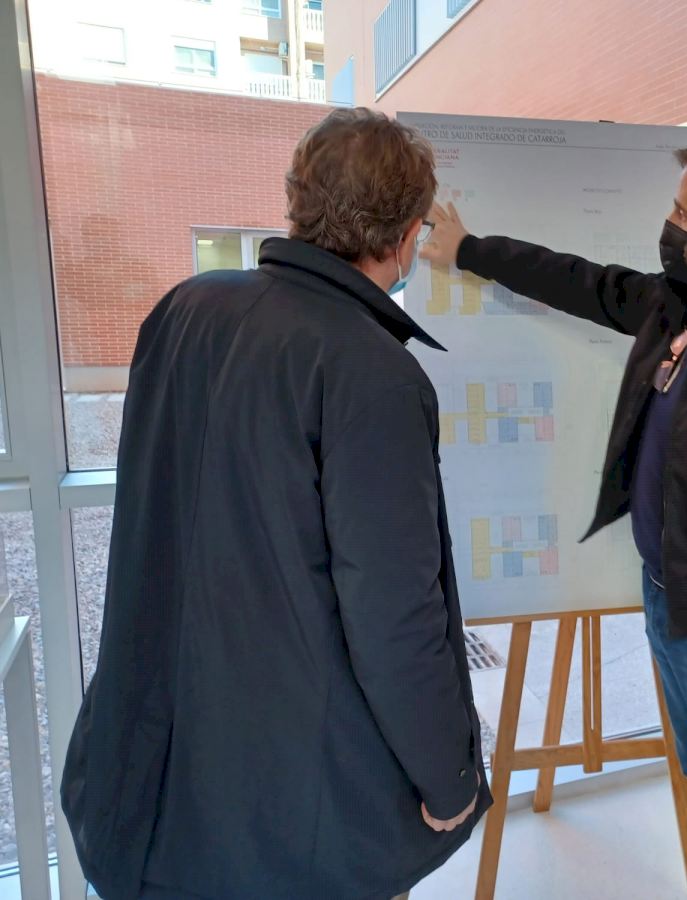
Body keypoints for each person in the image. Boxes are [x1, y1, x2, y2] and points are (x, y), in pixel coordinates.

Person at [61, 108, 491, 900]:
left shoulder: (184, 309)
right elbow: (394, 612)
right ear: (405, 235)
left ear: (298, 201)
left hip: (157, 777)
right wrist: (449, 778)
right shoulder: (372, 372)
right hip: (297, 815)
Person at [422, 135, 687, 900]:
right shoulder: (681, 305)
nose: (669, 223)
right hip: (670, 599)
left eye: (682, 212)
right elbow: (583, 283)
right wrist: (470, 249)